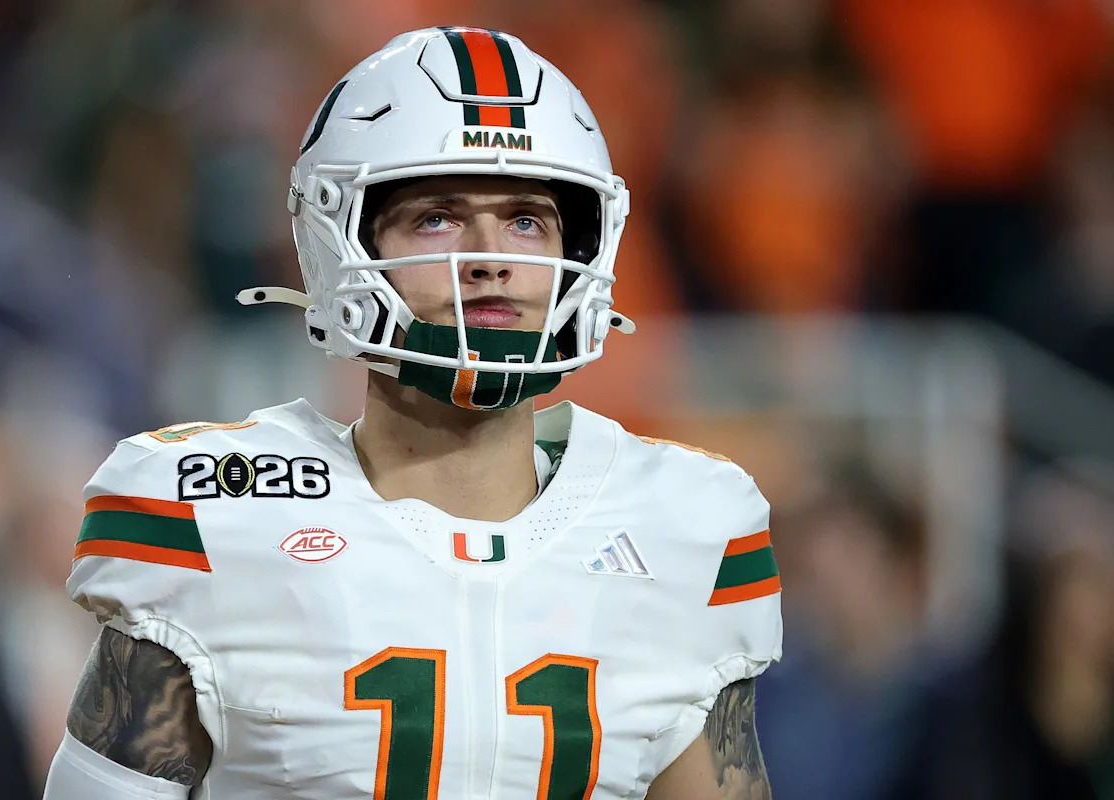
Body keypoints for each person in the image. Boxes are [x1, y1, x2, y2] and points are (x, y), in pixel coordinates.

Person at [42, 27, 783, 799]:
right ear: (342, 246)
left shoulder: (683, 528)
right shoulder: (219, 514)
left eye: (527, 220)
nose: (492, 257)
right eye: (438, 218)